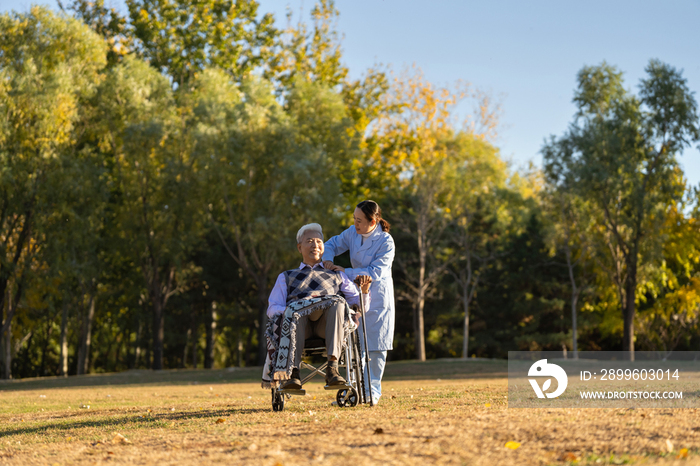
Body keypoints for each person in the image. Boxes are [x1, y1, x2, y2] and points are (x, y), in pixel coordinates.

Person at [266, 223, 371, 390]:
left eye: (319, 241)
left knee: (338, 303)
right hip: (300, 326)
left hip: (328, 325)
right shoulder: (286, 276)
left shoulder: (337, 274)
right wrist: (295, 309)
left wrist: (364, 292)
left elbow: (359, 306)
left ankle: (333, 369)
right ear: (300, 247)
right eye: (309, 241)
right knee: (295, 310)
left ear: (323, 247)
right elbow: (272, 309)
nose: (315, 245)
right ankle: (293, 373)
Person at [322, 200, 395, 404]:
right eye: (354, 219)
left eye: (360, 221)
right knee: (355, 346)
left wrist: (345, 271)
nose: (356, 224)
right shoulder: (353, 233)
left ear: (374, 221)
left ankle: (372, 393)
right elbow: (332, 244)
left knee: (376, 347)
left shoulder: (386, 241)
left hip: (378, 297)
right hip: (356, 296)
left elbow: (376, 272)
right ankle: (352, 392)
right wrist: (328, 261)